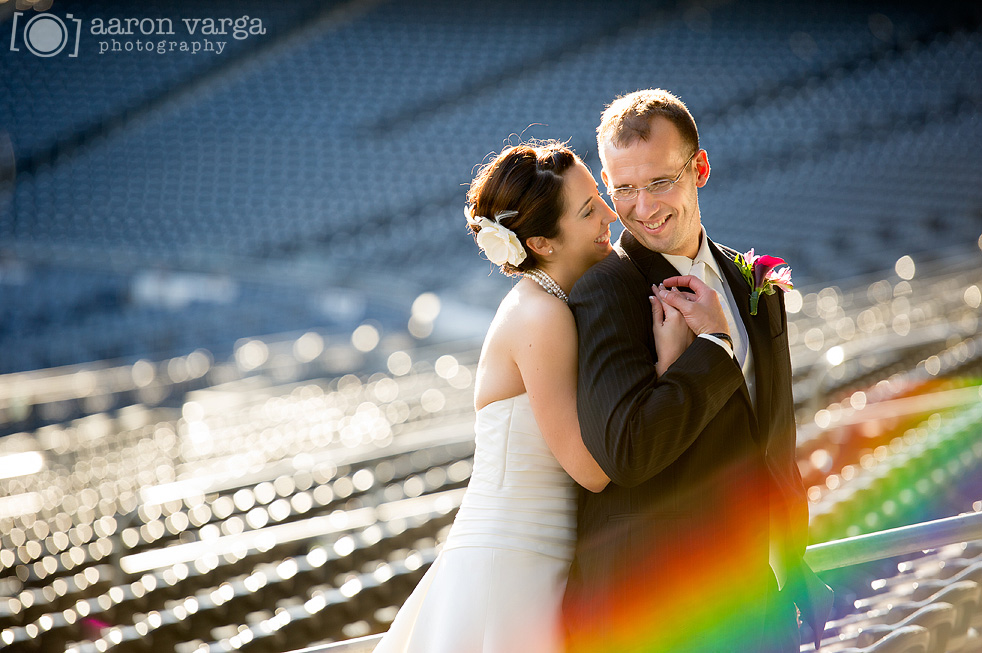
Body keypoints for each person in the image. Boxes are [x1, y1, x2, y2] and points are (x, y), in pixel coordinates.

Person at [374, 141, 700, 653]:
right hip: (512, 562)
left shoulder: (554, 303)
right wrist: (668, 368)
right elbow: (590, 470)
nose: (611, 214)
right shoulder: (540, 316)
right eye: (590, 209)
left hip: (540, 554)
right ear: (544, 243)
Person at [562, 89, 834, 652]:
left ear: (700, 168)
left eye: (659, 182)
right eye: (624, 189)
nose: (642, 207)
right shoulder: (605, 293)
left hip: (764, 598)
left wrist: (792, 560)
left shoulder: (753, 280)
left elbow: (772, 437)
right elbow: (626, 451)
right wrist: (713, 344)